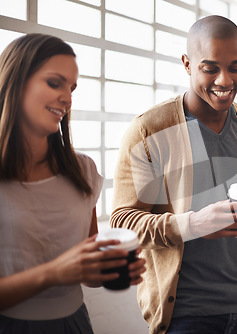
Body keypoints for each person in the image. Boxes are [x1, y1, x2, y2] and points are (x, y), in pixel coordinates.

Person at [110, 15, 237, 334]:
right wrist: (192, 225)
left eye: (236, 66)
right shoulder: (149, 129)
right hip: (185, 316)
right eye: (210, 68)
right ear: (187, 64)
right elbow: (123, 221)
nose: (225, 80)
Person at [0, 33, 146, 333]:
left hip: (74, 324)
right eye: (55, 83)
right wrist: (54, 273)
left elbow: (88, 275)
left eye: (72, 87)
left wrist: (108, 269)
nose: (67, 97)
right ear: (16, 82)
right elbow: (61, 271)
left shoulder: (82, 171)